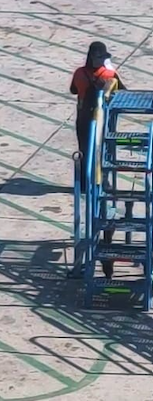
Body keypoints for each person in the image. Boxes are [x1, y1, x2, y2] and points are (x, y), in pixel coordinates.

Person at [70, 41, 126, 279]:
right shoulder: (110, 74)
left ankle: (86, 181)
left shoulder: (80, 74)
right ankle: (97, 180)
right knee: (101, 153)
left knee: (85, 151)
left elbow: (73, 90)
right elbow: (122, 92)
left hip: (83, 120)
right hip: (100, 122)